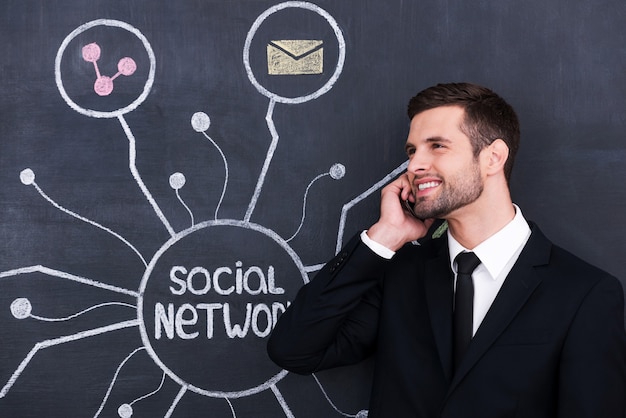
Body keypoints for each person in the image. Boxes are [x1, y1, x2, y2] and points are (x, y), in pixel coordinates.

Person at [267, 82, 626, 417]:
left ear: (493, 157)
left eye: (437, 145)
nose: (414, 165)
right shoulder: (399, 273)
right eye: (412, 150)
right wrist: (384, 238)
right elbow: (294, 349)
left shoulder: (584, 294)